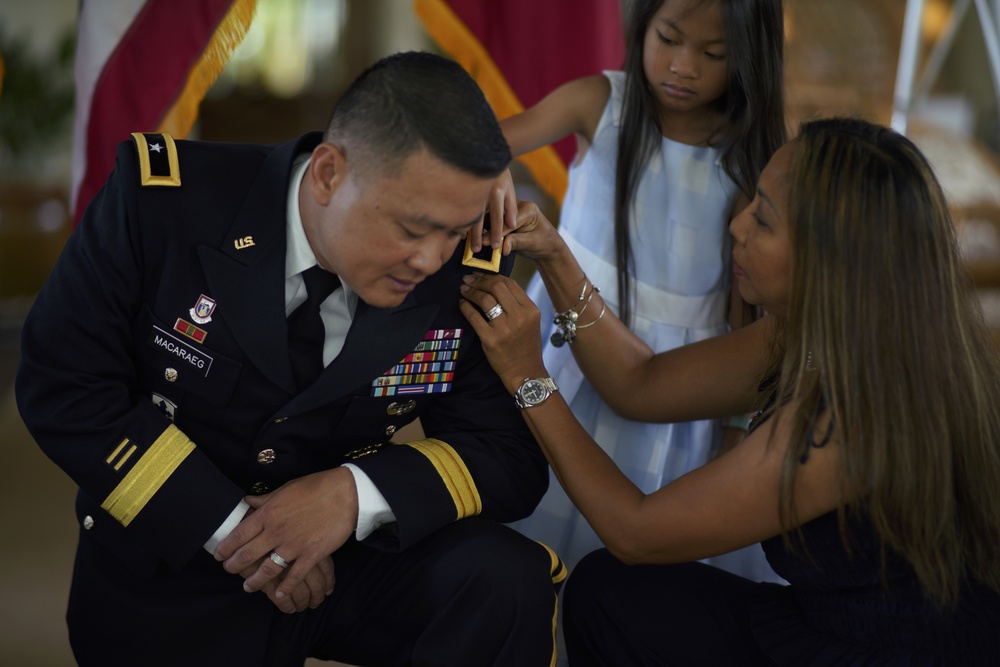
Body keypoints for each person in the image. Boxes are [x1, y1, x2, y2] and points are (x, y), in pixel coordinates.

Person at [16, 51, 564, 667]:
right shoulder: (162, 206)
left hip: (348, 553)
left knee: (500, 580)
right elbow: (64, 384)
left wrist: (355, 496)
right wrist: (236, 531)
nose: (432, 260)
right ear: (328, 174)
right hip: (180, 551)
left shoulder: (461, 274)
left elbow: (507, 456)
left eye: (453, 231)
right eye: (414, 229)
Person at [459, 117, 1000, 664]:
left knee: (615, 585)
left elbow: (635, 530)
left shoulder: (856, 418)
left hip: (886, 651)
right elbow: (641, 382)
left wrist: (527, 376)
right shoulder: (820, 332)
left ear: (830, 260)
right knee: (608, 593)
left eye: (763, 219)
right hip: (830, 618)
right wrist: (554, 255)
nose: (737, 226)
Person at [476, 0, 786, 578]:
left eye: (713, 54)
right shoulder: (600, 101)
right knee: (533, 512)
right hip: (560, 357)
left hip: (680, 384)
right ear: (640, 26)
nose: (684, 66)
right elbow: (482, 145)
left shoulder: (749, 157)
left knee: (629, 549)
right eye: (669, 38)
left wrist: (734, 427)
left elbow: (745, 312)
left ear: (748, 59)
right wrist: (493, 166)